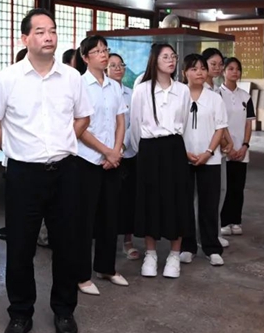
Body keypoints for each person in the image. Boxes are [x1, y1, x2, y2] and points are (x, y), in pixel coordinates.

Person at [0, 9, 92, 333]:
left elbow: (83, 117)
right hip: (23, 174)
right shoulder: (7, 78)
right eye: (41, 31)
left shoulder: (71, 77)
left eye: (52, 31)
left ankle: (64, 311)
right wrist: (14, 148)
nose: (48, 37)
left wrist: (63, 141)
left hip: (65, 172)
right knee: (20, 247)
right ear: (25, 38)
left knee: (67, 245)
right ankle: (20, 313)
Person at [130, 43, 191, 279]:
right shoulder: (141, 89)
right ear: (154, 60)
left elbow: (184, 122)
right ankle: (151, 254)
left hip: (174, 148)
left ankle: (174, 255)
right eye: (165, 57)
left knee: (178, 198)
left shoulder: (182, 90)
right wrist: (145, 151)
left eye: (173, 56)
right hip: (149, 149)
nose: (171, 60)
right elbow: (135, 125)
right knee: (150, 200)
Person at [76, 36, 128, 296]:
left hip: (112, 160)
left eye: (105, 50)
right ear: (85, 57)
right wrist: (106, 151)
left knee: (110, 216)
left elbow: (121, 121)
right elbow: (78, 126)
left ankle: (106, 267)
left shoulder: (114, 86)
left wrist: (116, 151)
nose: (104, 55)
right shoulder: (79, 85)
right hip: (86, 160)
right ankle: (81, 275)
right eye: (97, 51)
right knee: (84, 221)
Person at [180, 54, 228, 267]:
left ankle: (211, 247)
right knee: (185, 204)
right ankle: (187, 246)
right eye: (194, 69)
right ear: (184, 73)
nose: (199, 72)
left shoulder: (215, 98)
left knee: (209, 204)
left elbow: (220, 128)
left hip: (211, 159)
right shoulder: (178, 96)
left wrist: (208, 152)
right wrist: (184, 152)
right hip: (184, 158)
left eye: (202, 68)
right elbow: (174, 127)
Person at [219, 57, 256, 237]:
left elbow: (248, 123)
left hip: (241, 150)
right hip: (223, 150)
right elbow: (218, 124)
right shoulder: (217, 95)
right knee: (224, 187)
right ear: (223, 71)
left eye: (237, 69)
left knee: (238, 187)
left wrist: (245, 146)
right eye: (231, 68)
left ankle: (236, 220)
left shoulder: (246, 97)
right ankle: (224, 221)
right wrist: (228, 147)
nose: (235, 72)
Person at [108, 53, 140, 261]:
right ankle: (106, 240)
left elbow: (134, 123)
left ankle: (127, 241)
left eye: (121, 65)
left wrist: (121, 146)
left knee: (129, 199)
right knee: (109, 200)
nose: (118, 68)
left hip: (128, 153)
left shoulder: (131, 94)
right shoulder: (101, 92)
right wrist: (111, 149)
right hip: (105, 153)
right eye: (113, 65)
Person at [0, 48, 28, 244]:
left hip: (45, 161)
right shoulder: (9, 83)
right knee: (17, 205)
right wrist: (11, 146)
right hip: (16, 158)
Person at [201, 47, 232, 249]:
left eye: (220, 64)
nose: (218, 68)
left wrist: (228, 141)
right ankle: (201, 235)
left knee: (219, 191)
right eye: (213, 64)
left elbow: (221, 121)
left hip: (218, 150)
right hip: (203, 148)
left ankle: (213, 232)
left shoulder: (217, 90)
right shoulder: (197, 89)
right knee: (201, 196)